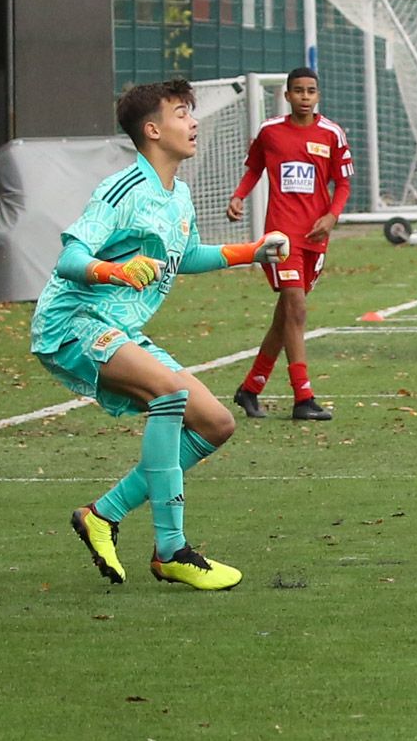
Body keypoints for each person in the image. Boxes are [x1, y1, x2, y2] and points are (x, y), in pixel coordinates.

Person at [35, 79, 287, 591]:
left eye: (191, 113)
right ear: (152, 130)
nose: (193, 122)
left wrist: (252, 250)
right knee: (169, 395)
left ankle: (101, 515)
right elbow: (69, 259)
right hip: (74, 323)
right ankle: (171, 550)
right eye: (181, 114)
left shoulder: (180, 195)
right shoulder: (122, 189)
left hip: (117, 328)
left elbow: (185, 256)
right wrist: (117, 272)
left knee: (215, 422)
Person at [228, 67, 353, 421]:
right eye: (297, 90)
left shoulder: (331, 134)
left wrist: (331, 216)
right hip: (281, 237)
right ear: (286, 95)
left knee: (286, 317)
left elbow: (342, 185)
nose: (304, 96)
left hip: (315, 236)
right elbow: (254, 168)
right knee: (296, 310)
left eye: (310, 91)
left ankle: (250, 389)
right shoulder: (270, 131)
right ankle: (303, 397)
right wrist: (239, 196)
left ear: (318, 96)